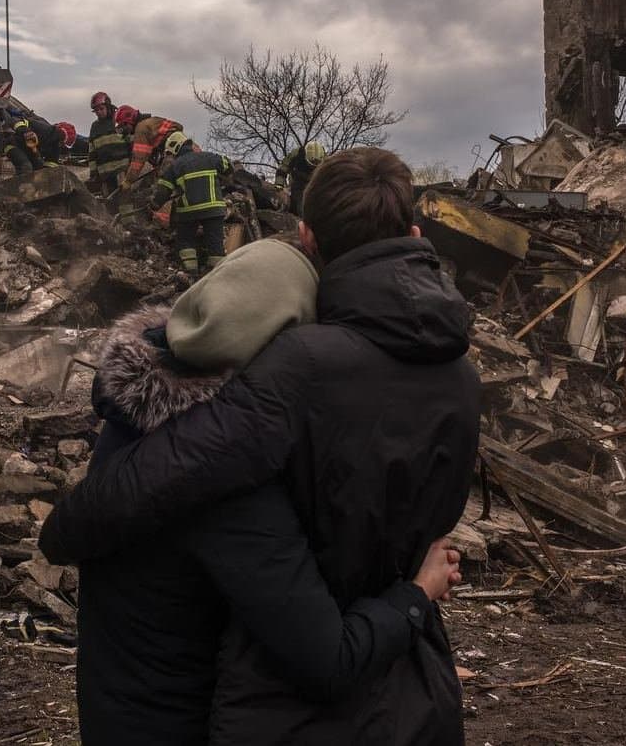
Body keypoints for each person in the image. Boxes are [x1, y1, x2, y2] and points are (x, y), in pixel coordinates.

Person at [42, 148, 482, 744]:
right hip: (360, 696)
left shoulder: (163, 425)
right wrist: (416, 595)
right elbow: (325, 648)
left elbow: (92, 519)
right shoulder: (457, 375)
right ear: (415, 233)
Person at [152, 131, 228, 276]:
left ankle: (190, 273)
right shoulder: (209, 157)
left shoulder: (175, 167)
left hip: (189, 212)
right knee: (215, 244)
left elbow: (162, 192)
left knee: (186, 241)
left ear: (175, 148)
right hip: (214, 209)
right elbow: (227, 165)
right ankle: (216, 276)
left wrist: (154, 205)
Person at [114, 104, 182, 191]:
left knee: (162, 186)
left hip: (175, 154)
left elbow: (138, 160)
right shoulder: (150, 122)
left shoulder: (141, 129)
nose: (126, 130)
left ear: (129, 121)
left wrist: (128, 181)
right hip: (177, 152)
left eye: (124, 125)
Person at [87, 91, 131, 197]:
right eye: (96, 110)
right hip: (105, 174)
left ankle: (129, 214)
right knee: (109, 202)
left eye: (101, 109)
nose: (99, 112)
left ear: (108, 106)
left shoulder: (119, 120)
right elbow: (92, 152)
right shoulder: (95, 127)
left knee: (125, 199)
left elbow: (131, 143)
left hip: (122, 170)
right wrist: (93, 173)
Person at [276, 140, 328, 216]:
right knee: (301, 204)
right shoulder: (296, 154)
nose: (312, 167)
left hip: (315, 183)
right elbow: (282, 168)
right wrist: (279, 186)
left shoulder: (325, 160)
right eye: (311, 164)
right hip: (298, 182)